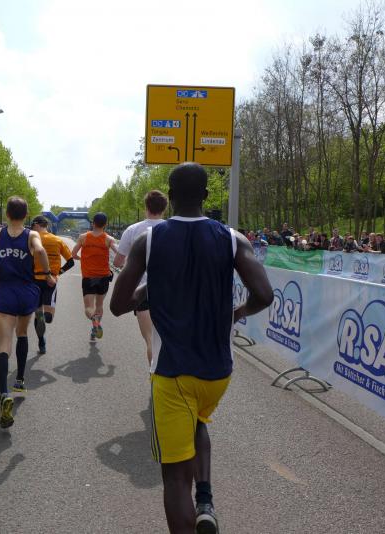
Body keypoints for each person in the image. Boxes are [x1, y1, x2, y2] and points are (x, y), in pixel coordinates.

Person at [110, 163, 273, 534]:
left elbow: (118, 305)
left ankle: (197, 503)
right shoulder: (233, 239)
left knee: (174, 480)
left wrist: (149, 289)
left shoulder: (149, 240)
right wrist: (237, 313)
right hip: (218, 372)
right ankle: (206, 501)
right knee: (198, 421)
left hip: (173, 372)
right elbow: (264, 295)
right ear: (206, 196)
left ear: (170, 195)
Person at [0, 197, 52, 429]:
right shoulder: (32, 235)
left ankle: (4, 393)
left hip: (5, 292)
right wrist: (48, 274)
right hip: (27, 291)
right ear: (26, 214)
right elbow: (40, 251)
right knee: (22, 334)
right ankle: (20, 380)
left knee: (4, 344)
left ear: (8, 214)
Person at [113, 190, 168, 364]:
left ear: (146, 207)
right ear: (165, 209)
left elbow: (118, 261)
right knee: (169, 337)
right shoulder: (174, 229)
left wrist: (128, 265)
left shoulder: (133, 230)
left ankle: (154, 376)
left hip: (142, 291)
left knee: (151, 339)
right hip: (170, 291)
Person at [31, 215, 75, 355]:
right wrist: (58, 273)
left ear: (37, 225)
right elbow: (71, 262)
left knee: (38, 314)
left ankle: (41, 342)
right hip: (51, 281)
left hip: (34, 280)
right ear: (47, 225)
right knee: (48, 317)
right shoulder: (57, 240)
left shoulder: (31, 239)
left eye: (32, 225)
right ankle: (44, 319)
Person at [71, 212, 118, 341]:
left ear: (93, 223)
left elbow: (73, 254)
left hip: (88, 277)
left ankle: (94, 320)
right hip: (103, 277)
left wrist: (82, 259)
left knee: (89, 308)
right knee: (99, 305)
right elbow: (119, 253)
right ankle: (94, 328)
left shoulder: (83, 237)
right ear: (105, 224)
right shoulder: (109, 239)